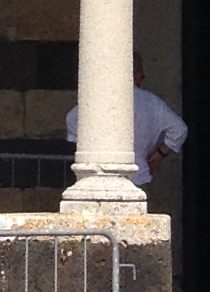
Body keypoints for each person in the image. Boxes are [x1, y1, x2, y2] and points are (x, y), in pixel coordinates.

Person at [63, 53, 189, 190]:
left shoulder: (101, 97)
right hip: (138, 176)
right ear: (136, 74)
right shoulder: (151, 102)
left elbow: (72, 119)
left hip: (99, 175)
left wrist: (92, 144)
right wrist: (159, 154)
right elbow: (179, 129)